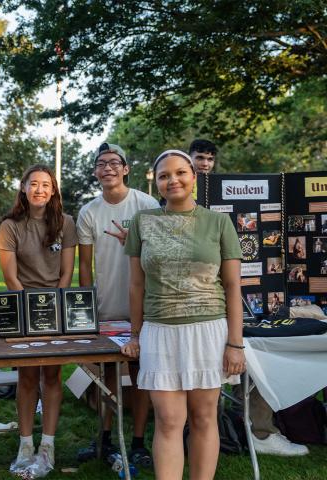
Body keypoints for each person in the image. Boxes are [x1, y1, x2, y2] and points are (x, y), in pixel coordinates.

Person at [121, 149, 245, 479]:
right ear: (156, 182)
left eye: (180, 173)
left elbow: (233, 287)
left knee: (204, 418)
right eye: (164, 175)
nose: (172, 180)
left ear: (193, 176)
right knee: (168, 421)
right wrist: (135, 334)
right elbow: (136, 285)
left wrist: (236, 344)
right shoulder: (142, 222)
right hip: (159, 330)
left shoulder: (218, 222)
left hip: (207, 330)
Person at [76, 142, 159, 465]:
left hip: (144, 308)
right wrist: (84, 311)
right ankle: (106, 438)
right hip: (106, 306)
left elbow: (159, 253)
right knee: (107, 376)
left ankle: (138, 443)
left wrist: (135, 243)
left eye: (114, 162)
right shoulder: (89, 212)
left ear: (126, 168)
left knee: (140, 375)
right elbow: (84, 267)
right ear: (96, 172)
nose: (107, 168)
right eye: (101, 163)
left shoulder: (147, 203)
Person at [0, 164, 77, 468]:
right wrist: (31, 312)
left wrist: (52, 307)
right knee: (27, 376)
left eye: (45, 184)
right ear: (23, 188)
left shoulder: (66, 223)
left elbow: (67, 272)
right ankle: (26, 444)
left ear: (53, 189)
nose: (39, 189)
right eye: (33, 184)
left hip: (55, 306)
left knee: (52, 376)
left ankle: (48, 446)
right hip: (22, 306)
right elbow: (10, 277)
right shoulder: (10, 225)